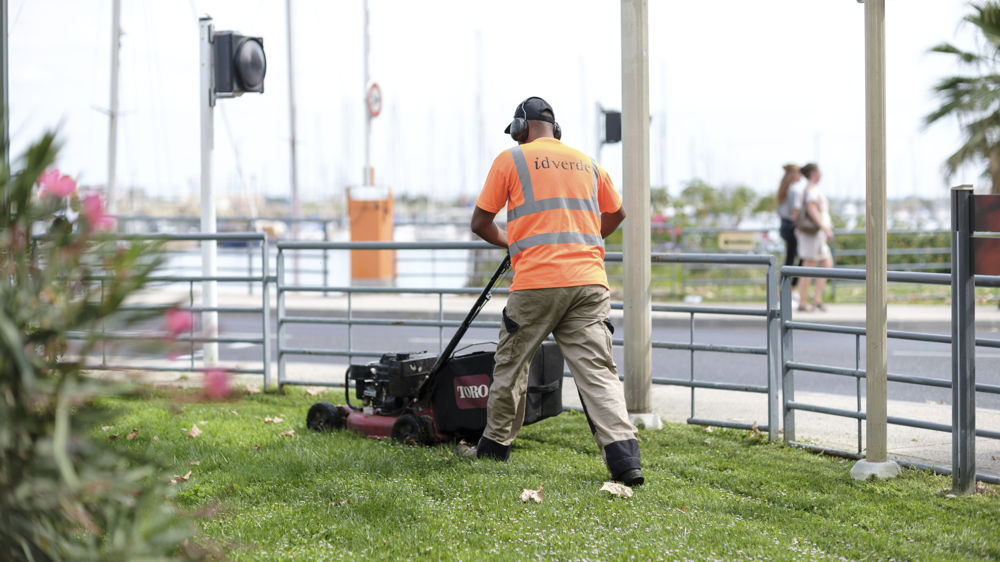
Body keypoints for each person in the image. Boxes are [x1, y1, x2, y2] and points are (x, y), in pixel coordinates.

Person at [470, 96, 643, 486]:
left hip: (536, 284)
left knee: (512, 366)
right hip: (588, 282)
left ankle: (494, 450)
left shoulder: (510, 159)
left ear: (520, 127)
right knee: (598, 371)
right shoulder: (587, 161)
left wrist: (515, 242)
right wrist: (578, 240)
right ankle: (625, 461)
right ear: (555, 129)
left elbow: (480, 222)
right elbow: (616, 214)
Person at [796, 163, 834, 311]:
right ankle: (803, 301)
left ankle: (816, 298)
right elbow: (811, 209)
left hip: (816, 235)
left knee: (826, 262)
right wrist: (825, 228)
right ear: (814, 173)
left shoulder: (810, 189)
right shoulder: (811, 190)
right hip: (813, 234)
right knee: (809, 265)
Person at [775, 164, 803, 291]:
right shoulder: (793, 191)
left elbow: (780, 213)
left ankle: (785, 289)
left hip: (784, 226)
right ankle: (791, 288)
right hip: (792, 227)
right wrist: (798, 227)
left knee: (789, 259)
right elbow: (795, 212)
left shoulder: (783, 190)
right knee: (802, 258)